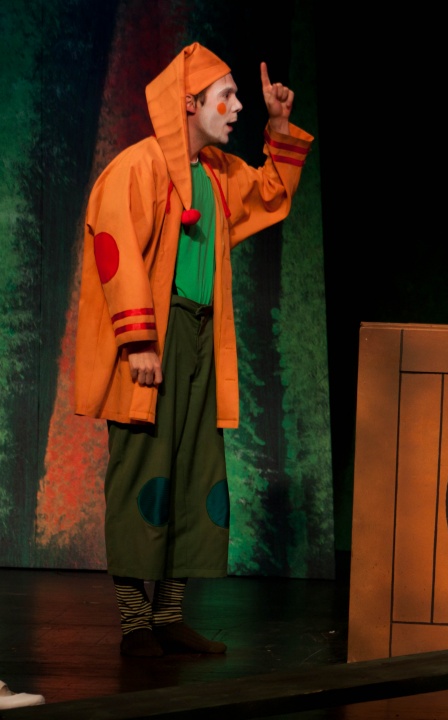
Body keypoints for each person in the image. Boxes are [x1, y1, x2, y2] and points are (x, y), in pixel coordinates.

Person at [74, 43, 313, 657]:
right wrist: (139, 341)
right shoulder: (138, 166)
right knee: (144, 468)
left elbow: (269, 193)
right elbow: (117, 252)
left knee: (194, 469)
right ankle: (135, 623)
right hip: (158, 334)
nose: (237, 108)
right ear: (188, 103)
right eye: (225, 97)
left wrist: (279, 127)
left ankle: (169, 615)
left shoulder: (216, 173)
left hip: (203, 336)